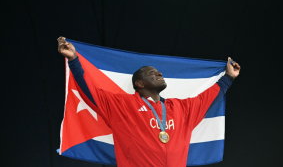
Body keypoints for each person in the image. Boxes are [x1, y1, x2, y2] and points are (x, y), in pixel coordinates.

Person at [57, 36, 241, 167]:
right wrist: (73, 59)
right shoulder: (122, 106)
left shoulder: (180, 108)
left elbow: (206, 100)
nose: (159, 73)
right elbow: (90, 92)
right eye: (151, 73)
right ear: (139, 83)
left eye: (158, 72)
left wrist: (228, 78)